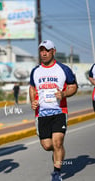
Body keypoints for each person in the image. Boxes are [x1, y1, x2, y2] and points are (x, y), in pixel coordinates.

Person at [29, 40, 78, 181]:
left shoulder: (63, 69)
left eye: (47, 50)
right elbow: (32, 87)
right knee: (47, 145)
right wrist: (33, 101)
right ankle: (59, 153)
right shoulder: (36, 71)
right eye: (41, 50)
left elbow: (73, 86)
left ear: (53, 51)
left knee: (57, 142)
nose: (44, 53)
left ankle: (57, 173)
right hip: (41, 113)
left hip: (59, 111)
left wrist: (63, 94)